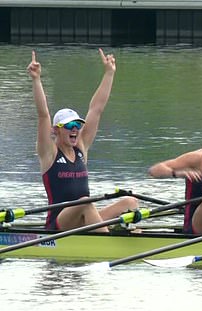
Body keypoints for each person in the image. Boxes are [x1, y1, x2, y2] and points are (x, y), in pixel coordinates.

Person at [27, 49, 138, 232]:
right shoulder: (49, 153)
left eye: (77, 125)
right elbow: (43, 115)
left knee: (130, 202)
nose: (75, 129)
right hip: (59, 224)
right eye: (70, 126)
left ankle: (122, 235)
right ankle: (108, 244)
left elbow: (97, 108)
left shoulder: (81, 147)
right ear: (56, 130)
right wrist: (36, 79)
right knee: (86, 202)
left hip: (84, 219)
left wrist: (109, 73)